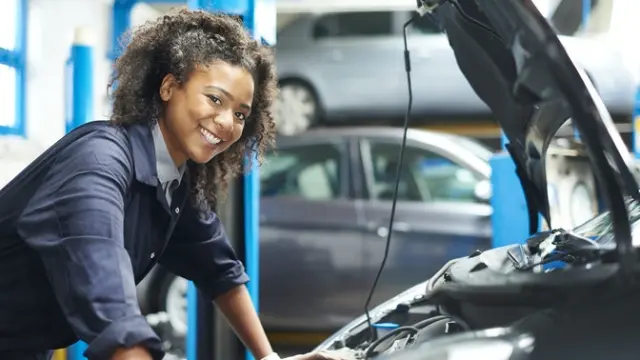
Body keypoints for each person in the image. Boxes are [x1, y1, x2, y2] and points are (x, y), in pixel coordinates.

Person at [0, 10, 350, 360]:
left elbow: (220, 272)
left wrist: (269, 358)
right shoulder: (100, 163)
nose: (227, 122)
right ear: (169, 87)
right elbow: (104, 285)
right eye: (215, 99)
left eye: (241, 114)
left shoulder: (173, 181)